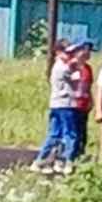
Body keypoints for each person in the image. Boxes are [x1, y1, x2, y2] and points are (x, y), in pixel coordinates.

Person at [33, 43, 83, 174]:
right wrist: (77, 66)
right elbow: (77, 79)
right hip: (65, 104)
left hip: (55, 104)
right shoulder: (63, 68)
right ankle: (67, 161)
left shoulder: (58, 67)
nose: (70, 56)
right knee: (70, 134)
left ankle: (41, 160)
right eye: (67, 53)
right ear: (58, 53)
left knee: (54, 134)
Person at [68, 40, 95, 165]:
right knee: (73, 131)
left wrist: (91, 100)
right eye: (86, 50)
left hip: (84, 105)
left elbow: (88, 86)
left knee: (82, 132)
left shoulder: (88, 68)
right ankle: (69, 156)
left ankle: (80, 155)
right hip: (73, 104)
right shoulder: (71, 67)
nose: (88, 54)